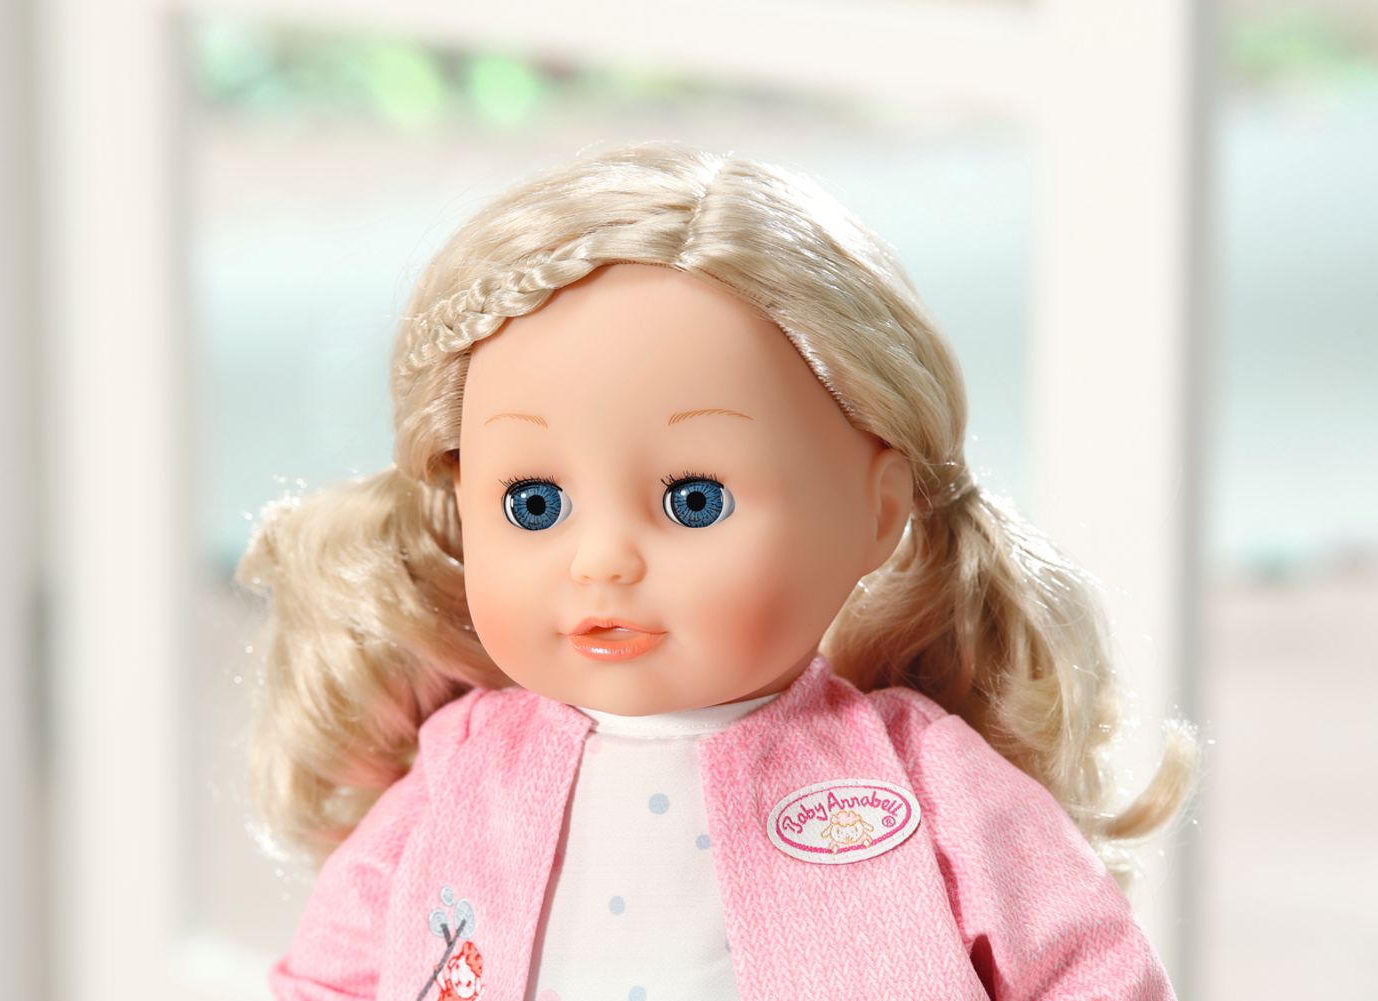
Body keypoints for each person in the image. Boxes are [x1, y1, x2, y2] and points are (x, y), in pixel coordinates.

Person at [238, 142, 1199, 1000]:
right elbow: (329, 978)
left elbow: (1092, 974)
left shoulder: (919, 783)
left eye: (693, 500)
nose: (603, 560)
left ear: (878, 510)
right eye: (535, 503)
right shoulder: (461, 778)